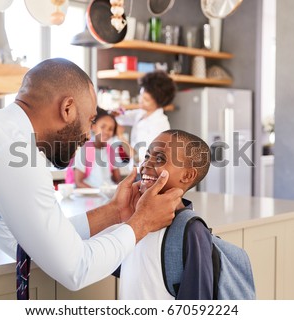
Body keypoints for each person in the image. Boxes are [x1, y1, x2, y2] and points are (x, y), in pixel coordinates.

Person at [0, 58, 183, 299]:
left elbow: (27, 241)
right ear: (67, 109)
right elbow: (77, 268)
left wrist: (115, 212)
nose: (90, 135)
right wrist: (141, 223)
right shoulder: (11, 151)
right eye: (89, 121)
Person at [114, 129, 213, 299]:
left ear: (187, 175)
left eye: (160, 158)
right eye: (147, 156)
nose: (146, 165)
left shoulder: (192, 231)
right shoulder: (134, 216)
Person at [114, 70, 176, 168]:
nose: (140, 100)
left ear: (158, 102)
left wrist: (121, 136)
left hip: (146, 172)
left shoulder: (159, 125)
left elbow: (138, 157)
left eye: (146, 99)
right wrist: (115, 112)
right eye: (141, 95)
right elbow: (121, 117)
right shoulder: (141, 113)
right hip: (135, 170)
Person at [65, 107, 121, 188]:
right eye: (103, 127)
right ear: (93, 127)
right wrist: (99, 194)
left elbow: (118, 179)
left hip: (108, 195)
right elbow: (78, 182)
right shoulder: (84, 150)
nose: (106, 132)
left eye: (110, 129)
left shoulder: (111, 150)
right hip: (91, 196)